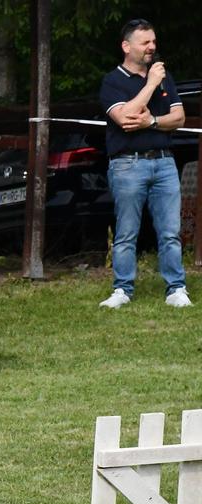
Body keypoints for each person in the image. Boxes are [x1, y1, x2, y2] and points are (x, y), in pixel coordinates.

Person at [98, 18, 190, 309]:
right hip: (127, 165)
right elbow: (125, 118)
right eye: (145, 42)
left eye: (153, 41)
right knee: (126, 233)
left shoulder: (165, 76)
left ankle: (176, 288)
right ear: (127, 47)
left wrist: (151, 121)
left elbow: (179, 117)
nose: (152, 47)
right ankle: (122, 289)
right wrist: (150, 85)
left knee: (170, 232)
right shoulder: (112, 81)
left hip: (164, 163)